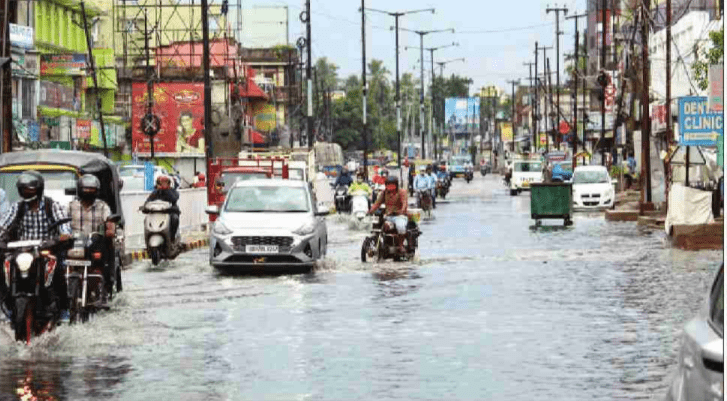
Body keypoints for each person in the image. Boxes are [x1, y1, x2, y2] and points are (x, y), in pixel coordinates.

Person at [0, 171, 72, 322]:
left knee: (57, 269)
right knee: (5, 268)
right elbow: (3, 226)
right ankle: (7, 305)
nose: (27, 193)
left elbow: (65, 230)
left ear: (39, 190)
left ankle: (64, 308)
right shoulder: (16, 208)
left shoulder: (52, 206)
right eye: (24, 190)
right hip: (21, 251)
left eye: (31, 190)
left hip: (46, 250)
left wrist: (59, 239)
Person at [68, 174, 115, 304]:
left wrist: (110, 229)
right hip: (76, 242)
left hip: (95, 242)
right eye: (85, 189)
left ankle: (106, 285)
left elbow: (109, 220)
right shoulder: (72, 206)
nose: (88, 192)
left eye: (91, 189)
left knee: (105, 254)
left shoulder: (102, 206)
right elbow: (63, 223)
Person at [368, 176, 409, 254]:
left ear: (396, 185)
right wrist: (370, 211)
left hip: (399, 216)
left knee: (401, 227)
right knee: (378, 226)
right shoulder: (383, 193)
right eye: (388, 185)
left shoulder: (402, 192)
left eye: (392, 185)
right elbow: (377, 204)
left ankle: (400, 245)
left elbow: (404, 203)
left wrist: (401, 211)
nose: (390, 187)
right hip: (388, 216)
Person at [145, 175, 180, 242]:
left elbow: (174, 199)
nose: (164, 184)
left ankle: (172, 238)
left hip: (168, 214)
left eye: (165, 182)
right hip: (156, 214)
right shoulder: (155, 192)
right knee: (146, 220)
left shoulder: (172, 191)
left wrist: (166, 190)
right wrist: (145, 207)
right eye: (162, 183)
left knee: (174, 218)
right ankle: (147, 238)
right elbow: (148, 201)